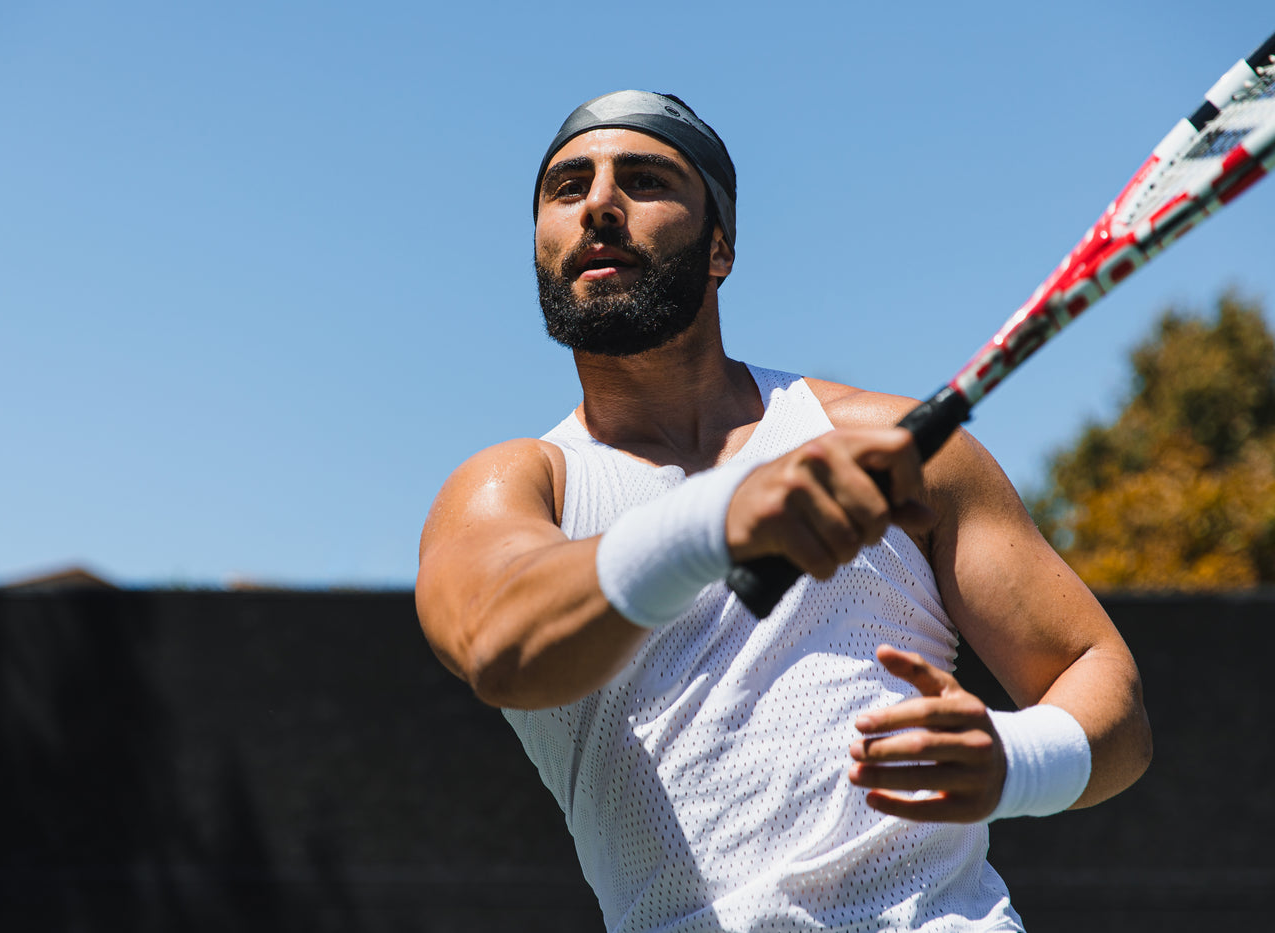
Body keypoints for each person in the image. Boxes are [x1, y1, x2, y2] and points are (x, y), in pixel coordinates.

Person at [415, 90, 1151, 932]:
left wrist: (1018, 758)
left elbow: (1108, 694)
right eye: (567, 186)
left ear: (719, 245)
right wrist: (718, 520)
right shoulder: (514, 484)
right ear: (542, 244)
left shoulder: (892, 445)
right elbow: (503, 647)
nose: (600, 205)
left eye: (646, 179)